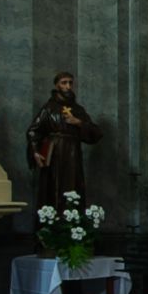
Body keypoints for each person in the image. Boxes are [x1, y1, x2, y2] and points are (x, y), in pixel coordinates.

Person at [26, 73, 101, 216]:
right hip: (54, 153)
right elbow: (33, 131)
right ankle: (52, 222)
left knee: (73, 185)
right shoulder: (48, 108)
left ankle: (72, 221)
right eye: (64, 82)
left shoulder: (78, 110)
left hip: (73, 153)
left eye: (70, 83)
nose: (68, 86)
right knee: (53, 187)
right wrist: (35, 151)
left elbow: (96, 133)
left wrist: (78, 123)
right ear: (57, 85)